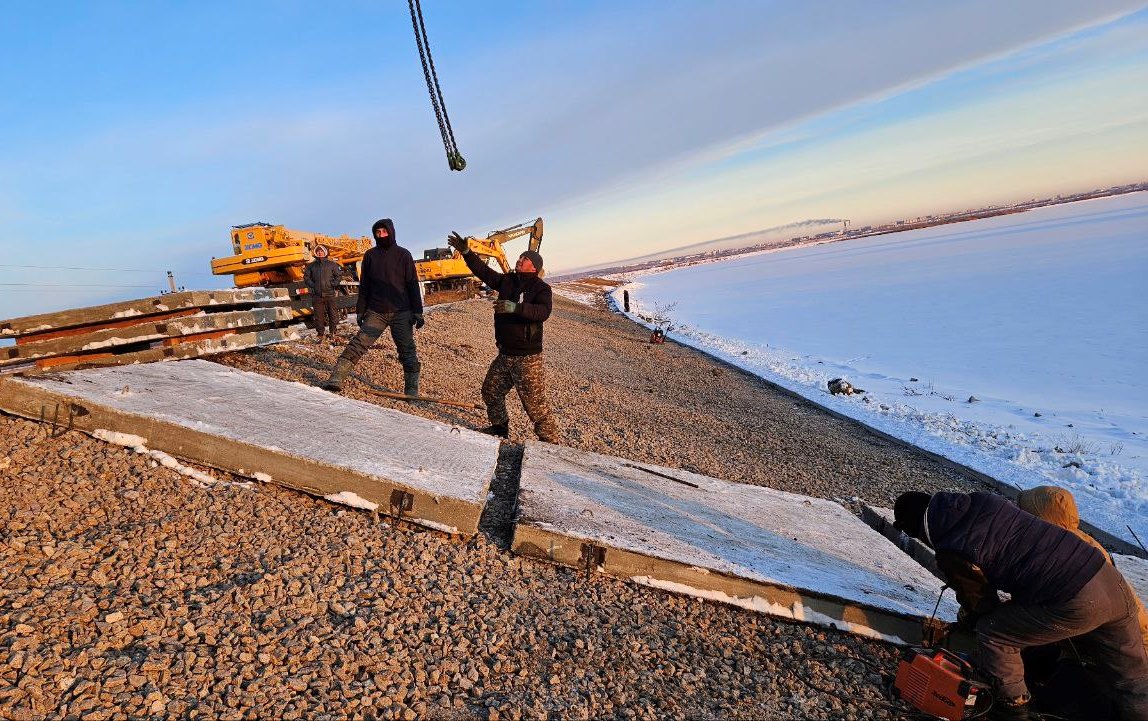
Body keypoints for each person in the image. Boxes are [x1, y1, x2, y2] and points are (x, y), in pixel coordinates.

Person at [892, 490, 1148, 720]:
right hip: (1111, 581)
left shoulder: (951, 547)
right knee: (1134, 680)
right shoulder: (981, 500)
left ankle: (1012, 709)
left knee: (995, 632)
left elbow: (983, 604)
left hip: (1077, 600)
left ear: (917, 528)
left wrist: (971, 620)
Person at [446, 231, 558, 443]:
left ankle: (552, 446)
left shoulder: (541, 288)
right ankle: (499, 429)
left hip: (527, 359)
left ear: (533, 266)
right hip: (505, 355)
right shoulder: (508, 281)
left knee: (536, 407)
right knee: (490, 391)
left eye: (524, 259)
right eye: (521, 257)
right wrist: (467, 252)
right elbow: (484, 272)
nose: (520, 259)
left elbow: (543, 312)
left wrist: (515, 307)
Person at [322, 219, 424, 394]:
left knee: (407, 350)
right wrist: (361, 310)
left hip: (402, 312)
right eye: (378, 233)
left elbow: (412, 284)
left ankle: (411, 390)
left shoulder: (404, 255)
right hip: (376, 312)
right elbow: (365, 286)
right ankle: (336, 378)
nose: (381, 235)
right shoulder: (370, 255)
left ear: (391, 232)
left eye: (384, 232)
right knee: (358, 343)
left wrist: (418, 312)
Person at [303, 244, 343, 342]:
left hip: (330, 294)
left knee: (332, 314)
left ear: (325, 252)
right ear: (316, 253)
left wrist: (333, 284)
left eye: (322, 251)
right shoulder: (311, 266)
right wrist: (313, 285)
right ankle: (320, 334)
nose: (320, 253)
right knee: (318, 316)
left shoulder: (332, 264)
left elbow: (338, 276)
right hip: (317, 295)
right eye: (318, 251)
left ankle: (333, 331)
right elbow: (306, 277)